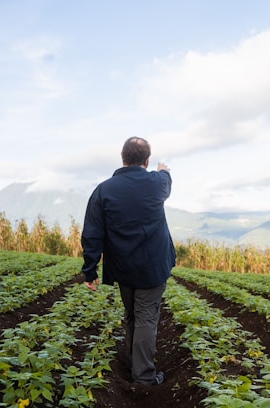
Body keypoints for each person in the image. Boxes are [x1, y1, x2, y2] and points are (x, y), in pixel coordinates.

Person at [80, 136, 176, 385]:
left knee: (132, 314)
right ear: (146, 161)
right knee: (145, 317)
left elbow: (92, 233)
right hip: (152, 266)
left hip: (122, 267)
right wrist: (163, 170)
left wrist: (90, 271)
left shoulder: (104, 190)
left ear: (122, 159)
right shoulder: (157, 183)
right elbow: (166, 179)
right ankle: (143, 377)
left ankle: (136, 363)